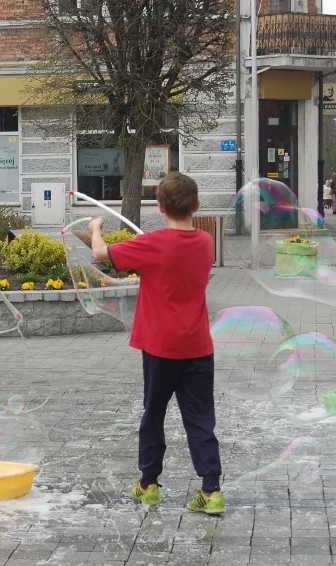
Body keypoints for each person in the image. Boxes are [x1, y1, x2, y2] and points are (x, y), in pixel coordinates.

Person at [88, 171, 224, 514]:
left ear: (160, 207)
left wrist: (95, 229)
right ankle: (212, 490)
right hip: (197, 347)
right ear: (197, 205)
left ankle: (148, 485)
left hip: (161, 348)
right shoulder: (206, 242)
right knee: (200, 419)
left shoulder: (152, 244)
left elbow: (101, 255)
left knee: (154, 415)